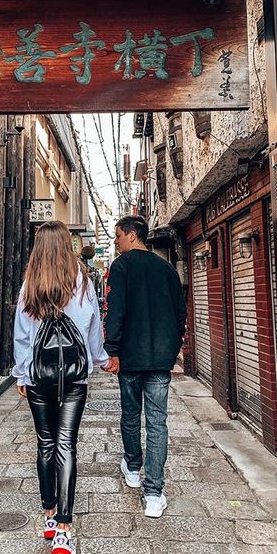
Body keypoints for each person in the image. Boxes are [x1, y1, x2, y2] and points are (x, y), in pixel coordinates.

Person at [13, 221, 108, 554]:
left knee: (45, 443)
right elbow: (91, 326)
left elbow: (22, 336)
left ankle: (49, 515)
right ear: (67, 246)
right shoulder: (81, 282)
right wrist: (99, 360)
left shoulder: (31, 284)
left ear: (38, 249)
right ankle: (65, 531)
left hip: (39, 376)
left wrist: (22, 375)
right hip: (74, 378)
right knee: (66, 443)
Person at [103, 215, 186, 518]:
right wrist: (174, 348)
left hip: (130, 356)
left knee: (130, 415)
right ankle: (154, 493)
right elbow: (181, 313)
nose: (116, 241)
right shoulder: (166, 269)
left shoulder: (121, 267)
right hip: (161, 358)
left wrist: (111, 349)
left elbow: (114, 312)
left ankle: (134, 468)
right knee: (157, 422)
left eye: (118, 235)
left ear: (132, 235)